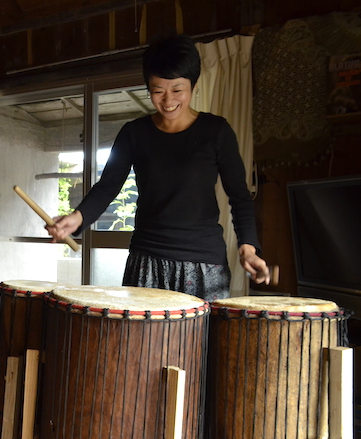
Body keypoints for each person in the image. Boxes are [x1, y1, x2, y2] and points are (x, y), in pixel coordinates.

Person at [46, 34, 270, 301]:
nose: (168, 100)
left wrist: (248, 247)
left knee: (197, 344)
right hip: (146, 261)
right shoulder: (134, 133)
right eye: (158, 90)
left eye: (177, 89)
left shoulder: (216, 131)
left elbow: (239, 196)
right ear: (148, 88)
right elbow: (107, 188)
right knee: (139, 344)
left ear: (194, 85)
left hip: (203, 264)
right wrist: (77, 218)